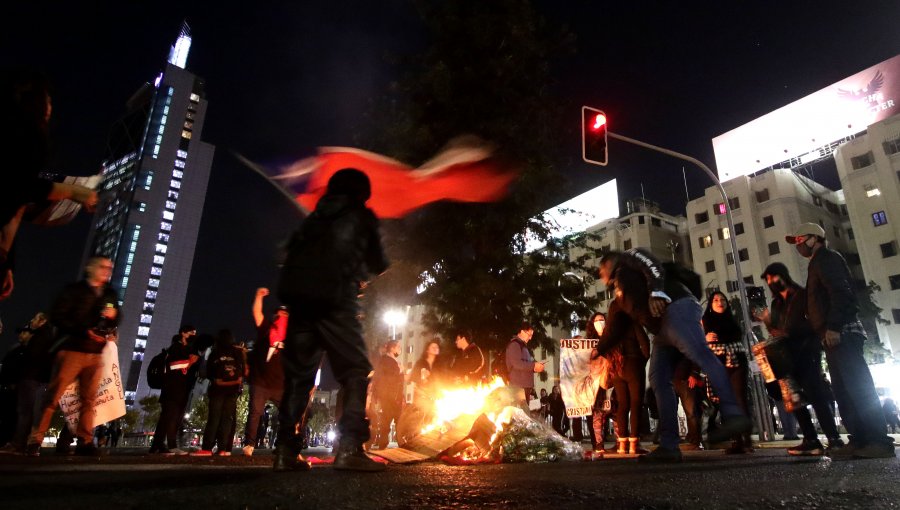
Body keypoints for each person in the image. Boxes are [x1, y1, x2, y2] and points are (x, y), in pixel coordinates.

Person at [275, 168, 389, 472]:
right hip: (336, 302)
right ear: (361, 192)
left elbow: (287, 253)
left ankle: (285, 450)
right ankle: (350, 447)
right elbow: (378, 263)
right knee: (355, 370)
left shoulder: (313, 219)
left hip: (299, 305)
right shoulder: (361, 216)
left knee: (298, 378)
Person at [598, 249, 750, 463]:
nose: (601, 274)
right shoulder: (620, 296)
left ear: (609, 263)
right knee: (658, 378)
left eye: (601, 268)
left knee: (700, 353)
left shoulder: (628, 260)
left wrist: (657, 292)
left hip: (677, 308)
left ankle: (733, 414)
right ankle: (669, 445)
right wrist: (598, 351)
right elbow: (615, 328)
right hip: (662, 330)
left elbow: (652, 264)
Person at [785, 223, 894, 458]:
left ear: (814, 239)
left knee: (858, 387)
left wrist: (833, 326)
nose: (797, 246)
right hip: (831, 335)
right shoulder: (818, 262)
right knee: (844, 390)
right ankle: (859, 439)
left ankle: (878, 440)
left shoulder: (826, 258)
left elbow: (841, 292)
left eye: (799, 240)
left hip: (841, 332)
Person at [1, 69, 98, 301]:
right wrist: (75, 192)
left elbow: (17, 203)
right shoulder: (25, 138)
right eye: (48, 99)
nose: (50, 106)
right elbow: (23, 187)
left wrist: (6, 261)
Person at [26, 256, 120, 457]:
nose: (107, 271)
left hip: (96, 352)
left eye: (110, 268)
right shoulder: (74, 290)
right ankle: (36, 440)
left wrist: (113, 319)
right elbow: (58, 316)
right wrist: (83, 330)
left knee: (89, 400)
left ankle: (85, 441)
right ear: (90, 269)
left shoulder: (109, 293)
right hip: (72, 349)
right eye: (102, 267)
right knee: (54, 396)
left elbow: (117, 315)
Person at [759, 262, 844, 455]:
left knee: (816, 395)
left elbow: (814, 322)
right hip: (784, 357)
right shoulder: (776, 303)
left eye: (773, 277)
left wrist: (790, 332)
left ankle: (833, 438)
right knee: (794, 399)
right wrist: (767, 322)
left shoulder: (803, 295)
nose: (771, 282)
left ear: (783, 275)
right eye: (768, 279)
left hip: (806, 352)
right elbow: (776, 330)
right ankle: (810, 438)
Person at [591, 304, 651, 455]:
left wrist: (612, 361)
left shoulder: (610, 330)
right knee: (636, 404)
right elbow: (645, 344)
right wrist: (641, 361)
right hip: (633, 365)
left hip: (617, 369)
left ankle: (622, 445)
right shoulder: (633, 324)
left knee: (623, 406)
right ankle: (633, 444)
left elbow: (602, 348)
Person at [702, 291, 753, 454]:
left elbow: (737, 335)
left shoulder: (732, 319)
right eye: (716, 300)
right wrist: (706, 338)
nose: (720, 302)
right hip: (717, 363)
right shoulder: (705, 320)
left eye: (723, 299)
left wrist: (716, 339)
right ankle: (736, 441)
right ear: (710, 304)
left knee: (739, 399)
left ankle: (747, 440)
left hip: (736, 360)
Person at [0, 313, 55, 454]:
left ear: (42, 321)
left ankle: (18, 444)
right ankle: (24, 444)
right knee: (30, 413)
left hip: (30, 378)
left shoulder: (39, 338)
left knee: (24, 412)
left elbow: (32, 358)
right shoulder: (48, 336)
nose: (31, 323)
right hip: (38, 379)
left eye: (34, 320)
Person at [242, 287, 287, 457]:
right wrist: (258, 296)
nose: (282, 318)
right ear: (275, 317)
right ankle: (249, 444)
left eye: (286, 316)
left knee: (287, 415)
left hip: (280, 384)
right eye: (280, 315)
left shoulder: (290, 336)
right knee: (255, 413)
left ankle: (283, 445)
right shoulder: (266, 329)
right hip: (260, 381)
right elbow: (257, 312)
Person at [192, 330, 245, 457]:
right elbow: (243, 370)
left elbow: (209, 372)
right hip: (233, 390)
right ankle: (223, 449)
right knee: (227, 420)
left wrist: (216, 380)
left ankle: (207, 448)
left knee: (214, 418)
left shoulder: (215, 352)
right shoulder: (237, 352)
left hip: (218, 390)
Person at [150, 325, 199, 455]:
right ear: (183, 333)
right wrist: (190, 363)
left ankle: (157, 446)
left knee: (171, 417)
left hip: (181, 388)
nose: (193, 335)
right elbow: (174, 366)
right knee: (170, 416)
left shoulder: (187, 348)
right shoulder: (175, 347)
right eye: (191, 333)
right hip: (172, 388)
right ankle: (169, 445)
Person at [370, 340, 404, 450]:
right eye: (398, 346)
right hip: (389, 395)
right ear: (392, 348)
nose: (400, 348)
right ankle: (384, 444)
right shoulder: (386, 361)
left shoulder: (392, 361)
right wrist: (400, 370)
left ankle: (397, 443)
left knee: (396, 420)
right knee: (388, 420)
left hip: (395, 396)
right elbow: (386, 378)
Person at [505, 323, 544, 406]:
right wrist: (533, 366)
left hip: (524, 387)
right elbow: (517, 364)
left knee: (523, 415)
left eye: (531, 335)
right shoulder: (514, 344)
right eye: (529, 335)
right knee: (520, 415)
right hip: (518, 387)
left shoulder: (523, 346)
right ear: (522, 332)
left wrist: (534, 368)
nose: (530, 338)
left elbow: (524, 365)